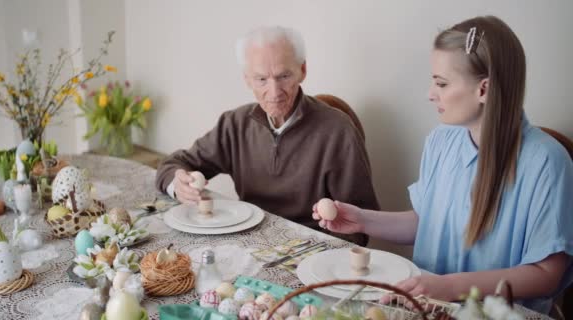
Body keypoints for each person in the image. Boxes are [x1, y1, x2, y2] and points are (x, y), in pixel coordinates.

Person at [313, 16, 573, 313]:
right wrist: (361, 219)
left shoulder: (548, 163)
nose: (430, 93)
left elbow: (546, 275)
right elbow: (428, 223)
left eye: (442, 83)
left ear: (483, 90)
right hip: (430, 307)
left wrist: (450, 287)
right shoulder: (440, 141)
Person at [156, 26, 380, 245]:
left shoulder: (337, 130)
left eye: (283, 76)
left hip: (311, 251)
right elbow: (175, 163)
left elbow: (360, 225)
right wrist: (178, 183)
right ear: (247, 79)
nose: (274, 93)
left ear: (302, 70)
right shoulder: (235, 124)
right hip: (248, 244)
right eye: (261, 79)